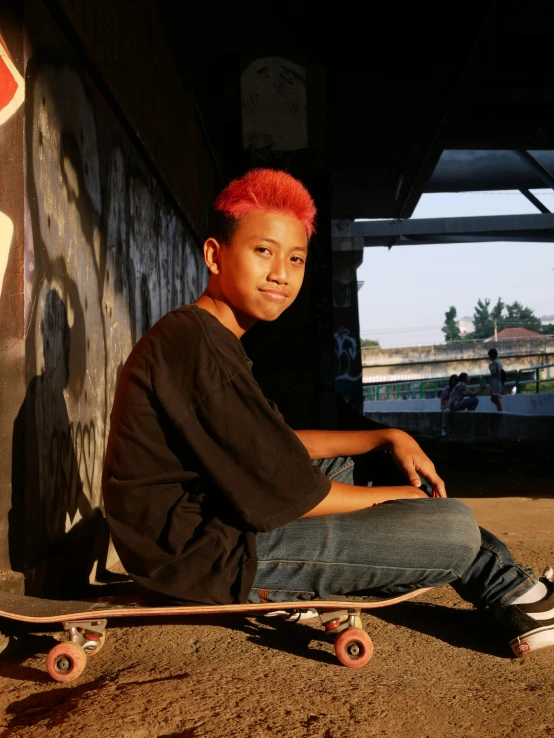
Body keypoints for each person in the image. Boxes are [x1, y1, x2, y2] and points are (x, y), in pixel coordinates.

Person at [102, 168, 554, 657]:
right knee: (451, 529)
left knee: (380, 470)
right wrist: (392, 501)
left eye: (295, 258)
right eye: (263, 251)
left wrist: (385, 437)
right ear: (216, 255)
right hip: (201, 554)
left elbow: (275, 444)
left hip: (212, 523)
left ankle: (517, 594)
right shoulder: (197, 346)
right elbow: (293, 488)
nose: (281, 272)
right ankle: (520, 596)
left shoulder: (207, 336)